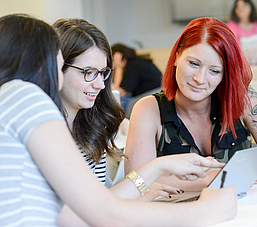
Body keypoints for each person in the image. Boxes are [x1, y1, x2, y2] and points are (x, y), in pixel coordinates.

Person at [0, 14, 238, 226]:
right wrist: (204, 211)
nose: (100, 84)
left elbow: (81, 211)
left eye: (103, 73)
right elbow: (99, 214)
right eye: (59, 64)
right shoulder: (23, 95)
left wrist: (158, 167)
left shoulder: (76, 120)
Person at [125, 17, 257, 192]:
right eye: (194, 63)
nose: (200, 79)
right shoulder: (148, 109)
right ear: (177, 56)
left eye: (214, 71)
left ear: (225, 74)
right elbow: (136, 183)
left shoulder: (243, 99)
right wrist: (222, 177)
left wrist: (217, 178)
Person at [53, 18, 181, 199]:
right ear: (57, 68)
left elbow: (98, 200)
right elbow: (81, 209)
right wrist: (150, 176)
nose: (99, 84)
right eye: (88, 72)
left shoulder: (94, 124)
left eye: (103, 73)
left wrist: (142, 190)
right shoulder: (44, 131)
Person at [111, 43, 162, 109]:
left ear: (120, 57)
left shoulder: (133, 66)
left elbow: (118, 92)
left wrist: (118, 66)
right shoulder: (138, 62)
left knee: (121, 101)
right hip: (155, 95)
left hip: (153, 96)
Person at [227, 0, 257, 65]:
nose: (241, 9)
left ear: (250, 7)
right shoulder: (231, 25)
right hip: (242, 66)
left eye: (244, 6)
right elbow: (230, 47)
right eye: (238, 7)